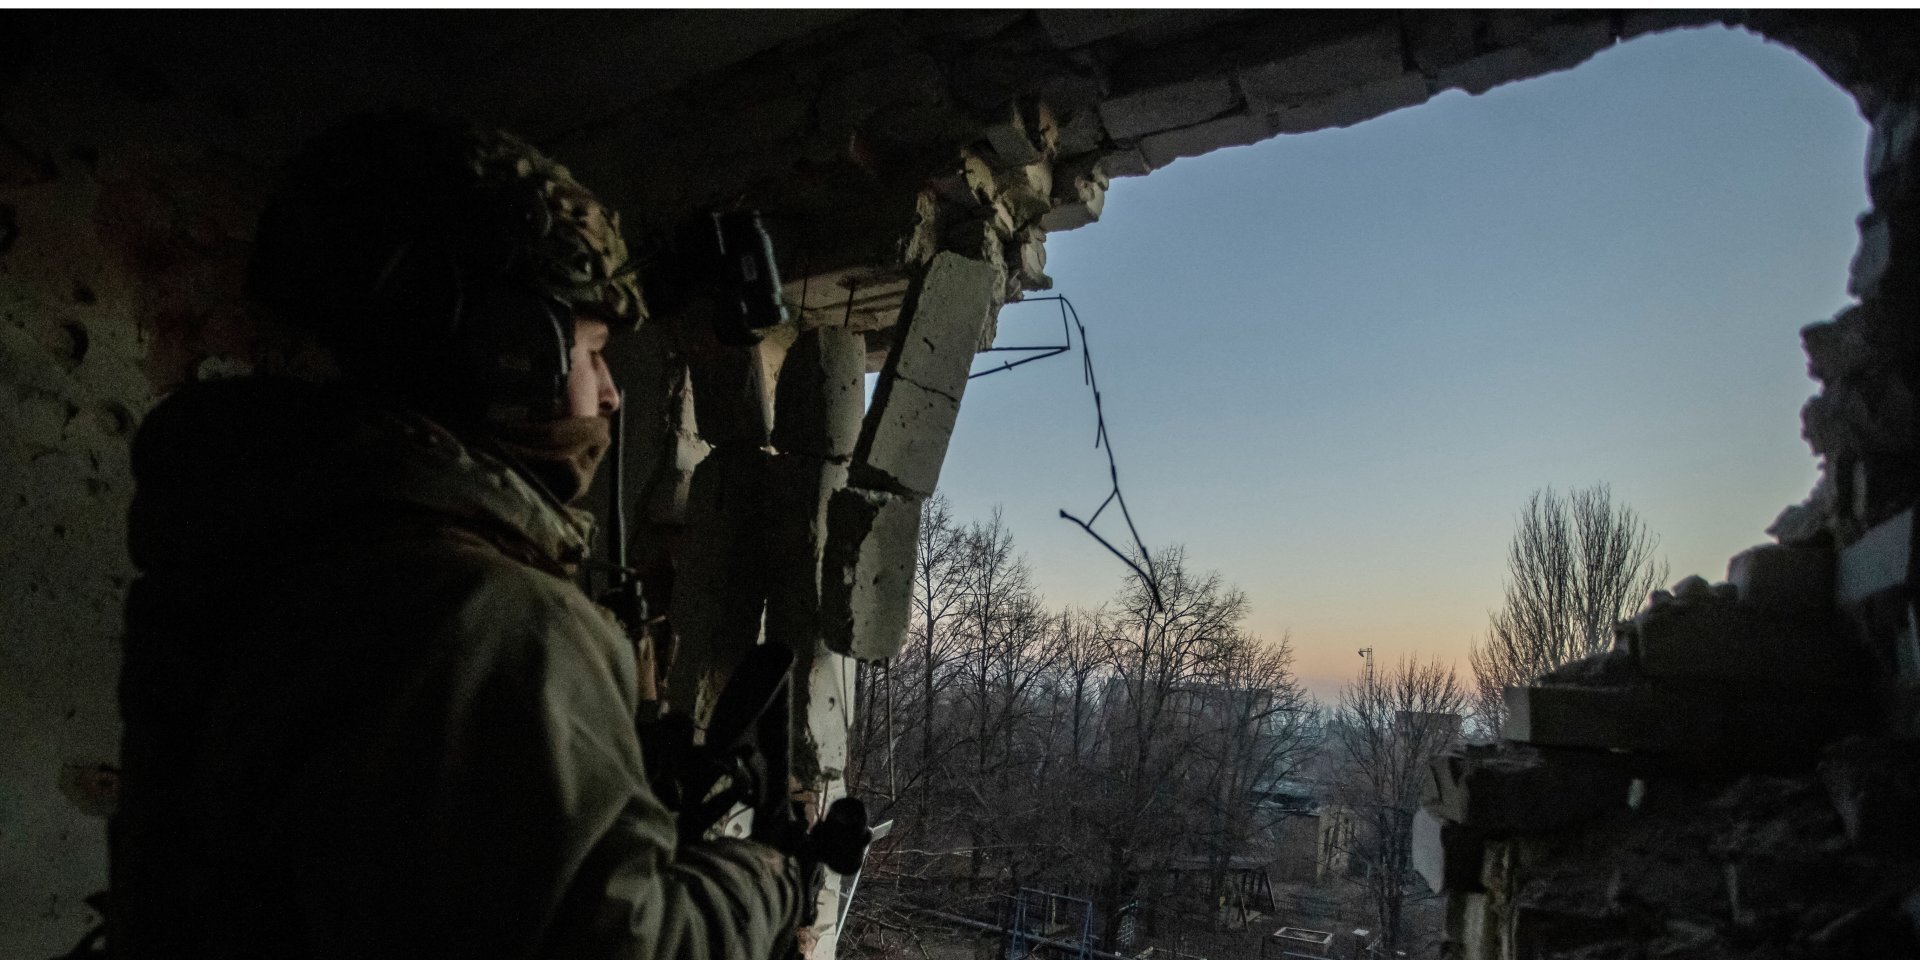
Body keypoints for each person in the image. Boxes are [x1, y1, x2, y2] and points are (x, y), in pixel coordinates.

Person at [112, 111, 804, 960]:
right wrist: (764, 880)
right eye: (592, 352)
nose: (611, 395)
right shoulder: (490, 618)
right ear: (511, 350)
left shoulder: (259, 540)